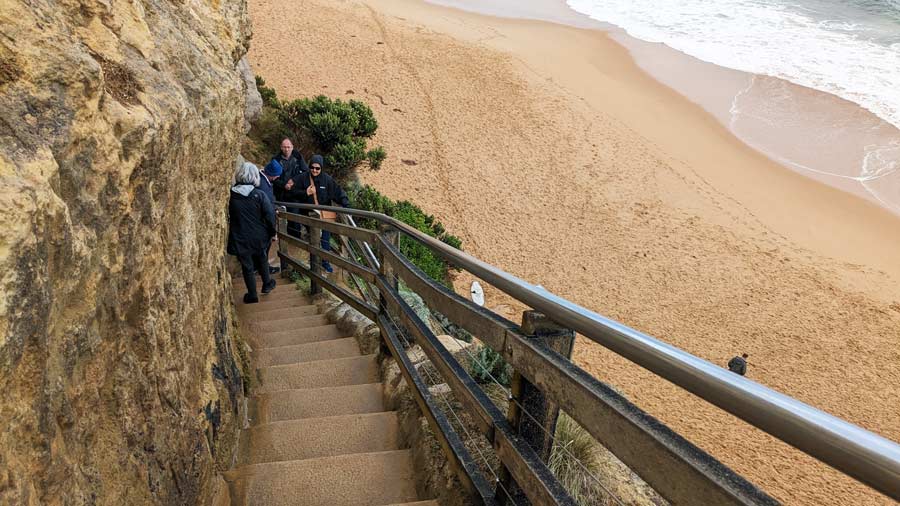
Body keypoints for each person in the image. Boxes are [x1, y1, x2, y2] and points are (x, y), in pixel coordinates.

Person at [228, 162, 277, 303]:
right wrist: (272, 232)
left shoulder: (231, 195)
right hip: (259, 235)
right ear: (255, 176)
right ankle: (267, 283)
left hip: (240, 236)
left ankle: (252, 294)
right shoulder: (259, 195)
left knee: (247, 265)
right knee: (262, 257)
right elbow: (270, 215)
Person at [301, 154, 350, 273]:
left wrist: (346, 204)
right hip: (310, 214)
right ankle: (314, 262)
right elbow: (294, 192)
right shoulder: (304, 178)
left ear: (321, 168)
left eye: (317, 168)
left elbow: (338, 192)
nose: (314, 170)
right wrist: (305, 193)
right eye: (312, 167)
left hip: (325, 214)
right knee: (314, 238)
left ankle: (325, 262)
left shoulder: (327, 180)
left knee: (325, 239)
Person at [270, 138, 309, 238]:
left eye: (288, 147)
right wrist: (284, 185)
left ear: (292, 147)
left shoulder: (298, 157)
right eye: (284, 147)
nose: (286, 149)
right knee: (281, 217)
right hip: (281, 194)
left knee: (294, 217)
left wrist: (294, 181)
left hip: (295, 193)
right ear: (281, 147)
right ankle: (283, 238)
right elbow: (273, 177)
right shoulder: (276, 159)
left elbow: (305, 172)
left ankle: (295, 238)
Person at [260, 160, 283, 274]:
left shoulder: (262, 180)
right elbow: (267, 206)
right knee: (264, 246)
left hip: (262, 220)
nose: (278, 177)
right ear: (272, 174)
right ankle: (263, 269)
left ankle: (262, 267)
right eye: (277, 175)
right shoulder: (263, 185)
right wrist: (272, 230)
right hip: (263, 221)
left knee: (264, 247)